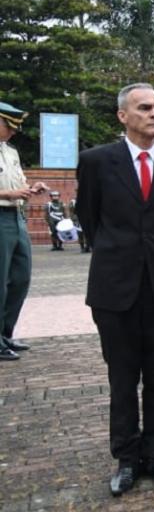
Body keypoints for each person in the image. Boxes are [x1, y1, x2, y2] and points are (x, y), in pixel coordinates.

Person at [77, 83, 154, 496]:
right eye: (144, 108)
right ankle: (126, 458)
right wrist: (120, 252)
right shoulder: (96, 162)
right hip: (115, 287)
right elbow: (90, 219)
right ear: (123, 116)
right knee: (123, 376)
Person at [0, 102, 50, 361]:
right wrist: (8, 193)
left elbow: (17, 183)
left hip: (16, 217)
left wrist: (31, 188)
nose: (14, 131)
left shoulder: (10, 152)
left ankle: (5, 334)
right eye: (9, 125)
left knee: (20, 278)